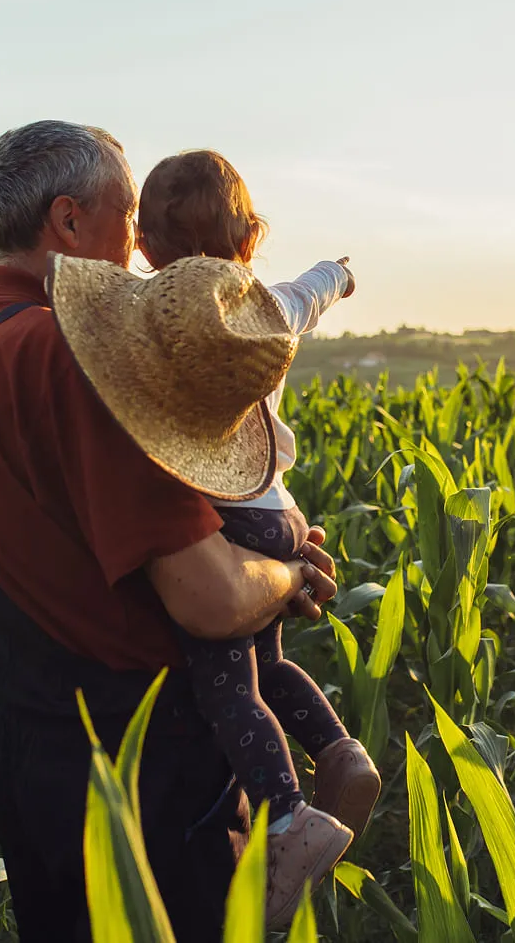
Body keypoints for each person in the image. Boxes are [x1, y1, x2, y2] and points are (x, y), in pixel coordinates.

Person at [0, 120, 338, 942]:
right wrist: (288, 577)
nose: (141, 245)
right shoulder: (73, 355)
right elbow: (209, 599)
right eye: (126, 215)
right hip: (146, 775)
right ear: (68, 223)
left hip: (40, 764)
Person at [128, 149, 382, 927]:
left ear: (142, 250)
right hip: (278, 510)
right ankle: (342, 754)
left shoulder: (155, 327)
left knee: (226, 683)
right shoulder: (271, 309)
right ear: (248, 240)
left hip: (224, 515)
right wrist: (337, 273)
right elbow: (314, 289)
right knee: (269, 669)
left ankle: (288, 816)